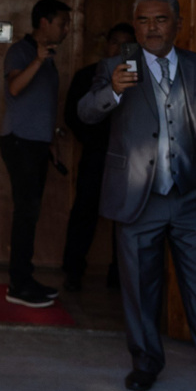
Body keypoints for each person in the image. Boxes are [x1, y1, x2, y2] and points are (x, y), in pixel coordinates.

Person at [77, 0, 196, 391]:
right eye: (143, 20)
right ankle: (145, 364)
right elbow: (86, 113)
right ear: (135, 26)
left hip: (193, 199)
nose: (151, 27)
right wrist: (113, 91)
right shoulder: (114, 67)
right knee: (140, 290)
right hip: (139, 198)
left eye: (160, 19)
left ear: (178, 24)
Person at [0, 0, 69, 308]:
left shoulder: (47, 56)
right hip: (20, 142)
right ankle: (19, 284)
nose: (66, 29)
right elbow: (15, 88)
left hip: (37, 142)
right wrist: (38, 60)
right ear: (44, 23)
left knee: (31, 213)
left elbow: (42, 103)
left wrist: (50, 140)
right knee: (26, 213)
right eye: (62, 23)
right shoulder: (21, 51)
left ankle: (25, 278)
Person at [61, 21, 135, 294]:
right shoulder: (87, 74)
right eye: (115, 42)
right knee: (84, 213)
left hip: (130, 161)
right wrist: (93, 141)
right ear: (107, 44)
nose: (119, 48)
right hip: (96, 154)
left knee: (125, 218)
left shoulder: (139, 77)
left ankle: (119, 276)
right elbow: (73, 115)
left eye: (126, 44)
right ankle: (73, 271)